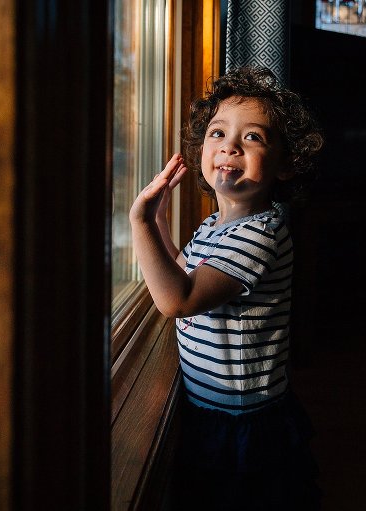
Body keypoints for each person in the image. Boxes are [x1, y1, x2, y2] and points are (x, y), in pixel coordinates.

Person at [129, 66, 324, 510]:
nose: (230, 145)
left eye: (253, 137)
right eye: (218, 132)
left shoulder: (262, 233)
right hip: (211, 409)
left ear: (286, 163)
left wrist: (139, 220)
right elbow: (179, 274)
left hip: (242, 421)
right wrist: (159, 220)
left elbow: (177, 300)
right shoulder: (216, 225)